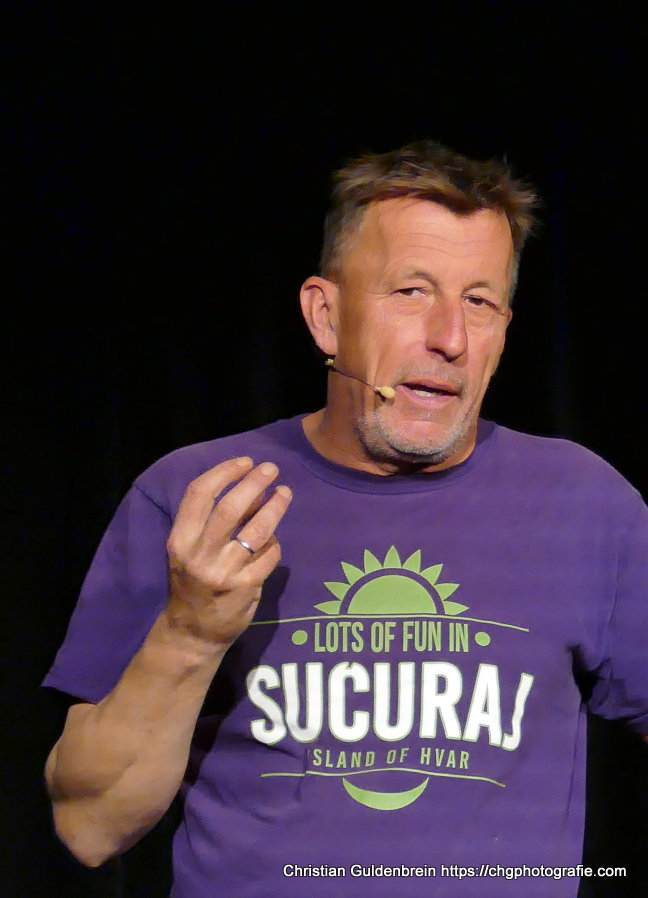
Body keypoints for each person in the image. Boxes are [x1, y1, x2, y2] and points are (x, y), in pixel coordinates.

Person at [43, 141, 648, 898]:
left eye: (480, 302)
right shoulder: (196, 499)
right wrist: (189, 633)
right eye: (411, 292)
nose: (450, 338)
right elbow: (90, 826)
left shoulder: (585, 505)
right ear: (325, 317)